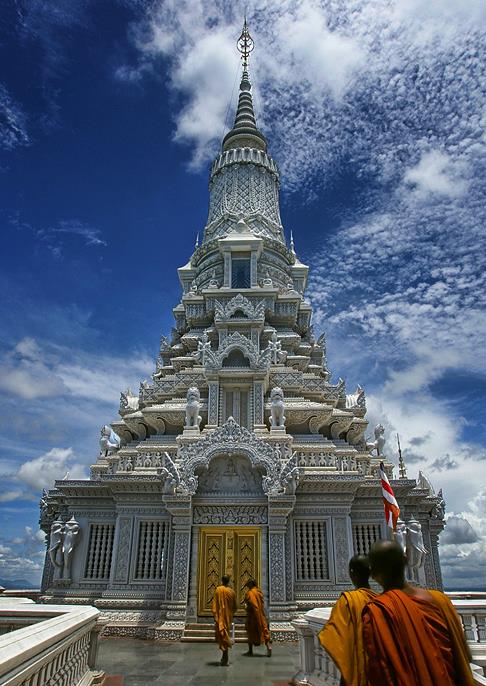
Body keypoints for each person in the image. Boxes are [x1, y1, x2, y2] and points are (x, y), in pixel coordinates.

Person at [362, 539, 474, 686]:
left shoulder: (377, 612)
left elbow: (377, 672)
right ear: (407, 560)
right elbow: (464, 656)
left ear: (372, 573)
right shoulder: (440, 602)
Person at [318, 554, 377, 686]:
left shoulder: (347, 601)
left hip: (354, 667)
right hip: (377, 668)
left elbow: (331, 636)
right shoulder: (379, 600)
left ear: (351, 573)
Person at [211, 574, 237, 666]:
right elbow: (235, 607)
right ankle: (224, 656)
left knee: (223, 635)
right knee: (225, 634)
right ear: (228, 581)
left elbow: (214, 605)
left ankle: (225, 656)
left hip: (220, 617)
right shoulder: (232, 592)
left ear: (222, 581)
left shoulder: (218, 590)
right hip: (227, 617)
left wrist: (215, 615)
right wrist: (229, 613)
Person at [243, 578, 272, 657]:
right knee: (264, 630)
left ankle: (250, 650)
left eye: (248, 584)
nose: (247, 586)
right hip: (261, 614)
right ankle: (268, 646)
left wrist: (247, 607)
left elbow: (252, 604)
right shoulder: (259, 592)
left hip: (253, 616)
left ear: (251, 584)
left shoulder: (250, 593)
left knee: (250, 632)